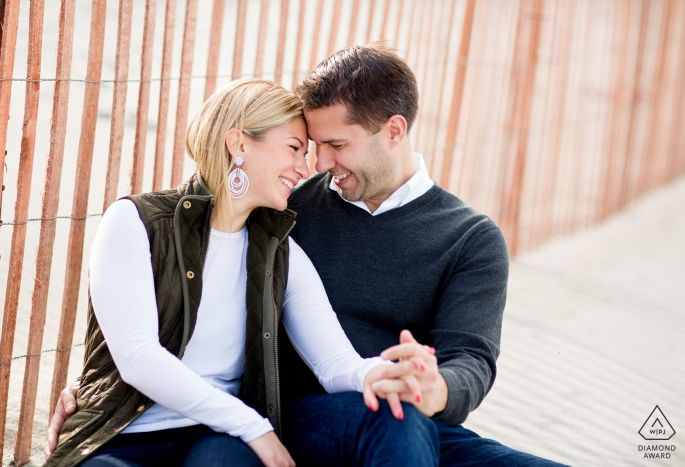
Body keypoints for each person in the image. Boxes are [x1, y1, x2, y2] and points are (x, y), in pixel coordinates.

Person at [48, 47, 568, 466]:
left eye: (332, 145)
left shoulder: (468, 237)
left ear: (394, 130)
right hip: (286, 415)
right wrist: (99, 387)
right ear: (239, 144)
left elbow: (467, 361)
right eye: (304, 146)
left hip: (390, 410)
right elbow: (153, 321)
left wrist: (424, 386)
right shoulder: (285, 205)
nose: (317, 164)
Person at [43, 78, 421, 467]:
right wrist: (252, 425)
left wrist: (379, 374)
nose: (305, 169)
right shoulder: (136, 221)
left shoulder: (280, 253)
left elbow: (335, 363)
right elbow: (138, 357)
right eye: (294, 149)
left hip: (219, 440)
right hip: (122, 434)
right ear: (239, 144)